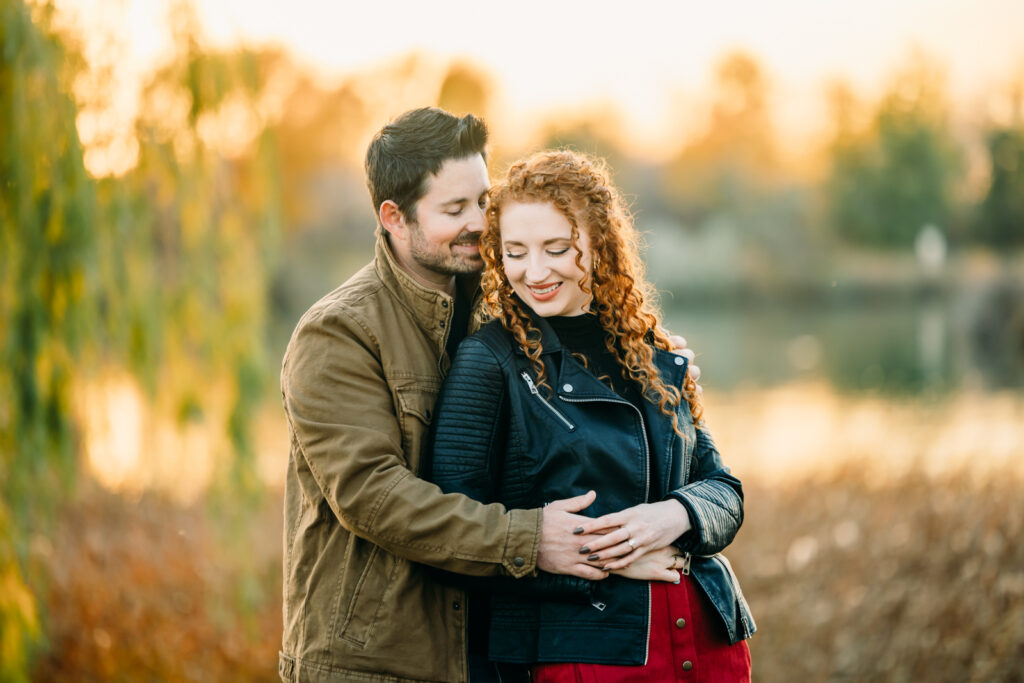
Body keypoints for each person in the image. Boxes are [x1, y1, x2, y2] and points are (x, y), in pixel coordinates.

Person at [278, 108, 700, 683]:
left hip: (488, 652)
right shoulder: (339, 332)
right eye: (455, 210)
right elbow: (372, 495)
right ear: (394, 217)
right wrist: (531, 540)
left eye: (483, 199)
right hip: (374, 658)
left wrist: (655, 370)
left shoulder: (507, 302)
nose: (481, 222)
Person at [428, 150, 755, 681]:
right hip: (585, 652)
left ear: (599, 243)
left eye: (557, 249)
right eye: (515, 252)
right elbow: (452, 537)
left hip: (710, 637)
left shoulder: (648, 348)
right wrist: (604, 563)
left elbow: (724, 490)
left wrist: (675, 516)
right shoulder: (489, 362)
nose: (534, 272)